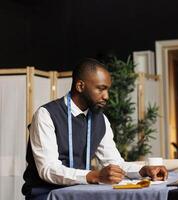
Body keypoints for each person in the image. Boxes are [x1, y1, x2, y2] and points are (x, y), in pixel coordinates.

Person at [22, 58, 168, 200]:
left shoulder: (100, 119)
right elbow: (47, 169)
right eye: (101, 89)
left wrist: (143, 171)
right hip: (46, 194)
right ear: (80, 86)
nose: (106, 96)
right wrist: (94, 176)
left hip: (80, 192)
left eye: (107, 90)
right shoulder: (46, 115)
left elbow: (115, 163)